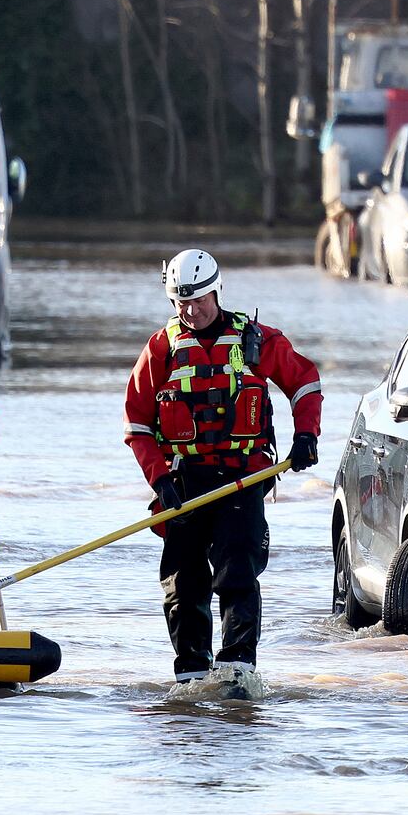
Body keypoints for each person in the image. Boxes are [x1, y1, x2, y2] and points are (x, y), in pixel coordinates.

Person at [124, 249, 323, 685]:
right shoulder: (161, 349)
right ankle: (192, 675)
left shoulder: (257, 340)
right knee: (183, 584)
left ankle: (237, 670)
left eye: (198, 301)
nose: (191, 311)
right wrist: (160, 479)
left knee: (237, 573)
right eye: (181, 303)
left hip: (242, 479)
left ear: (217, 290)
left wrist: (306, 435)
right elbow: (137, 426)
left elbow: (305, 383)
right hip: (183, 482)